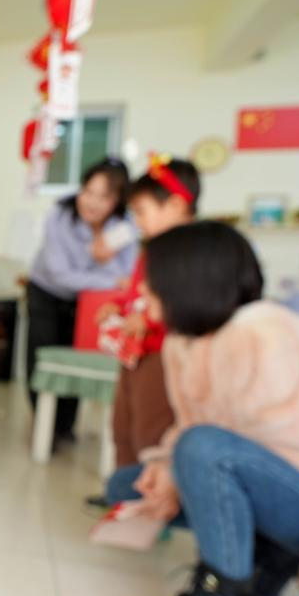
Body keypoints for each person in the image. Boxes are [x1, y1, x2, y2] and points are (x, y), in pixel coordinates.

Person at [107, 222, 299, 596]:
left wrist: (184, 467)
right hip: (292, 490)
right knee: (127, 485)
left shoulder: (263, 332)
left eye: (152, 282)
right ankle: (259, 572)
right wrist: (165, 468)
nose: (144, 293)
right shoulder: (185, 341)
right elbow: (195, 426)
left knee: (204, 451)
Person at [99, 156, 199, 470]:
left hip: (161, 354)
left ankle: (147, 488)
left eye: (142, 212)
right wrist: (118, 305)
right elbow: (137, 291)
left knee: (150, 432)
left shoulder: (191, 250)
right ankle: (123, 487)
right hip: (133, 352)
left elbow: (187, 301)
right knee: (122, 427)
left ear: (176, 206)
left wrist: (148, 319)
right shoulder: (151, 248)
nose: (137, 221)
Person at [26, 157, 136, 440]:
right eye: (88, 192)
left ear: (118, 200)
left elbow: (126, 279)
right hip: (47, 292)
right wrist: (106, 273)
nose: (93, 203)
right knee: (42, 356)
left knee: (77, 359)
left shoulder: (124, 226)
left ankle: (65, 426)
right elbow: (60, 274)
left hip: (88, 302)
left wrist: (105, 259)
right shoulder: (59, 215)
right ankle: (44, 426)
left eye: (104, 197)